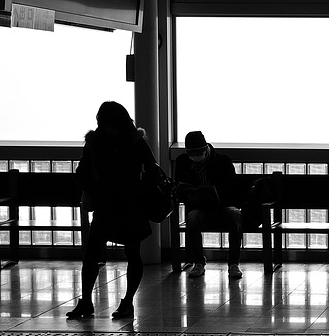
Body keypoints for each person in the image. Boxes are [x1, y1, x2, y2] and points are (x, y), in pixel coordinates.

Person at [67, 101, 166, 321]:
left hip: (118, 204)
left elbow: (82, 171)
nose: (107, 128)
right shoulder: (134, 142)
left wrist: (96, 189)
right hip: (127, 205)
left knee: (105, 254)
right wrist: (138, 190)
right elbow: (153, 172)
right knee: (112, 254)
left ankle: (100, 301)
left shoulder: (97, 142)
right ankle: (114, 301)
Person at [173, 130, 243, 280]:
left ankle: (233, 263)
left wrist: (213, 193)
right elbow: (178, 187)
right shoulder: (183, 162)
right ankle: (198, 262)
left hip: (223, 206)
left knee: (234, 215)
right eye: (191, 154)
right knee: (192, 218)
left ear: (206, 150)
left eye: (198, 153)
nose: (194, 157)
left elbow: (234, 189)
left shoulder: (222, 161)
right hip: (199, 208)